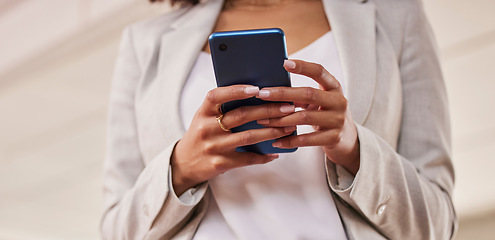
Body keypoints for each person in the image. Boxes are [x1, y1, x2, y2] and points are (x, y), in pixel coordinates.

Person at [101, 0, 457, 238]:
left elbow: (437, 225)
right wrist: (180, 168)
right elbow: (116, 228)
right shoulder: (144, 42)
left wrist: (355, 149)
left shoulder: (395, 16)